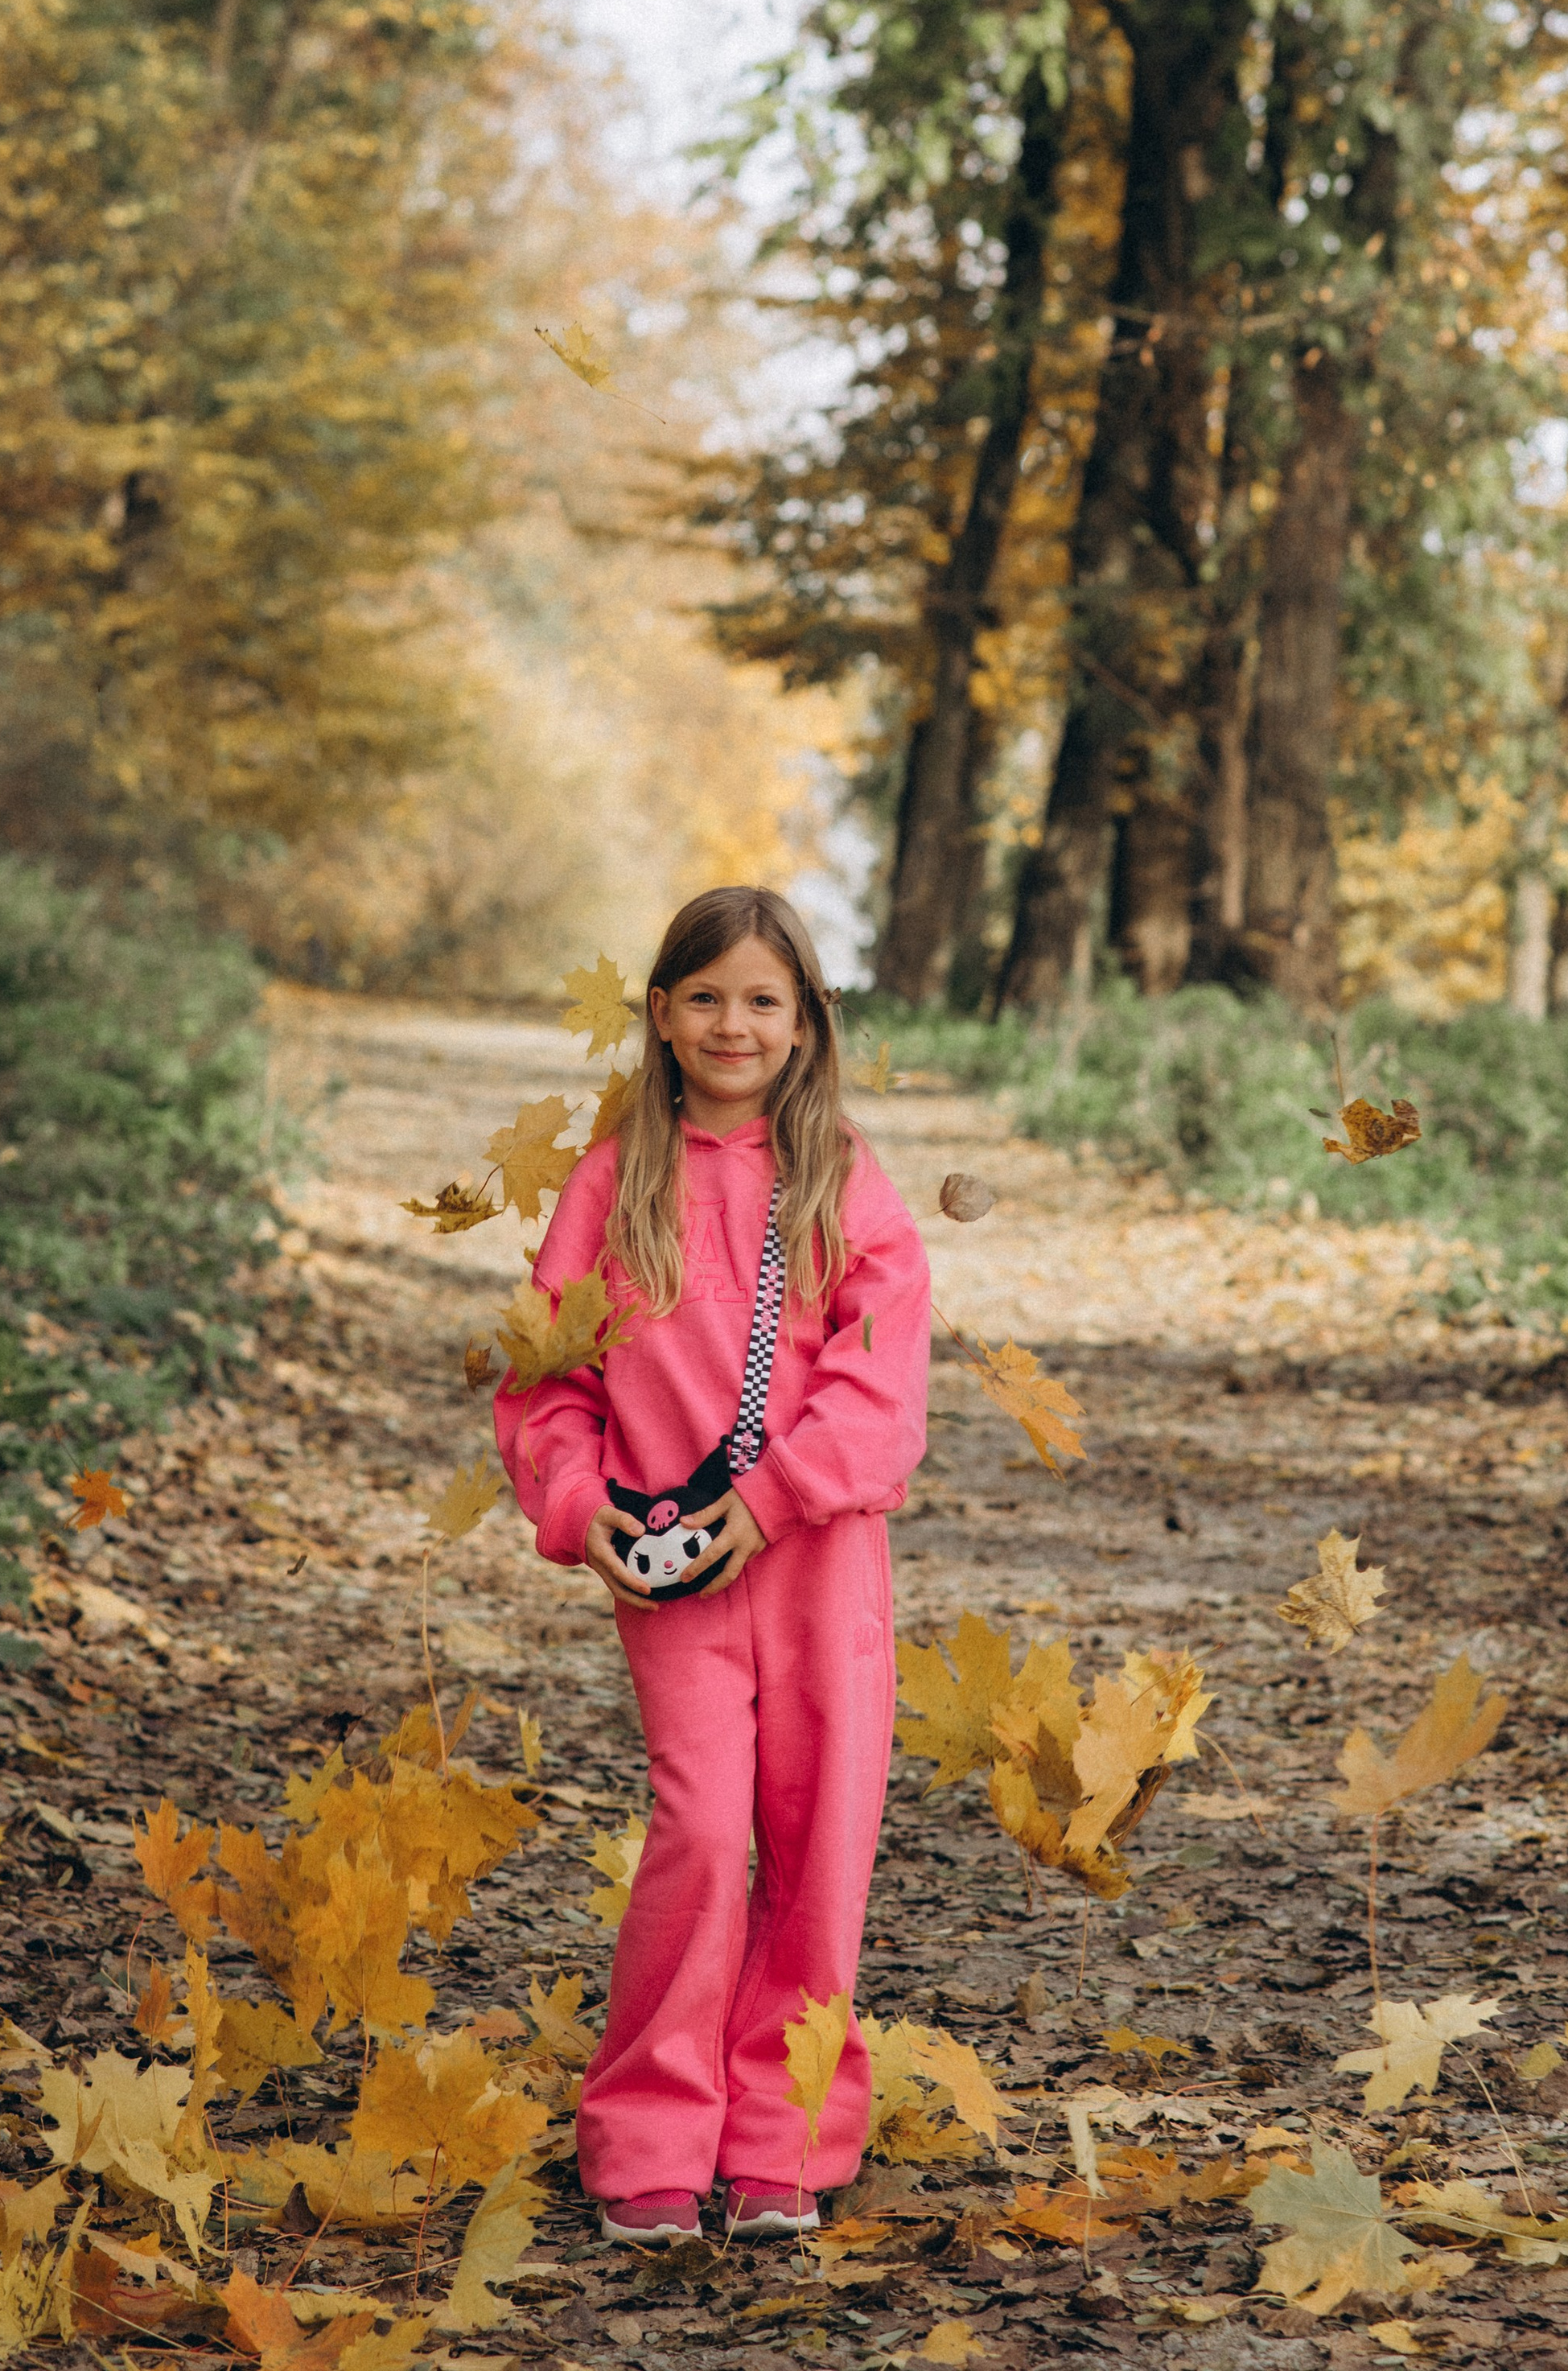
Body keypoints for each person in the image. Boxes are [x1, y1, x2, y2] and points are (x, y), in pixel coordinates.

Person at [495, 886, 932, 2245]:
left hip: (819, 1564)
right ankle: (652, 2133)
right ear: (662, 1017)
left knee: (820, 1838)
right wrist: (580, 1507)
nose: (732, 1024)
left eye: (763, 1000)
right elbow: (547, 1380)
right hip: (672, 1569)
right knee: (697, 1828)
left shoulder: (844, 1180)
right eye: (705, 998)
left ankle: (782, 2133)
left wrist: (787, 1489)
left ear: (805, 1025)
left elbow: (883, 1373)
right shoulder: (612, 1181)